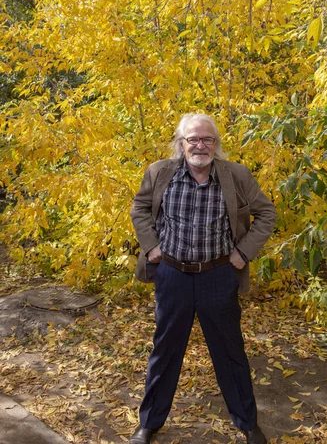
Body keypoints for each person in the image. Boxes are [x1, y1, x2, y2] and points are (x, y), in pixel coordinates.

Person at [129, 113, 277, 444]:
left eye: (207, 139)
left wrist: (244, 252)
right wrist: (151, 245)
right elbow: (139, 208)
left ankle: (247, 423)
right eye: (193, 139)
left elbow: (266, 213)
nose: (200, 145)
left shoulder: (236, 175)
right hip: (172, 276)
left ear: (216, 145)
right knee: (165, 351)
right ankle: (149, 423)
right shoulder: (159, 173)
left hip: (218, 275)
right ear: (181, 144)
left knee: (230, 351)